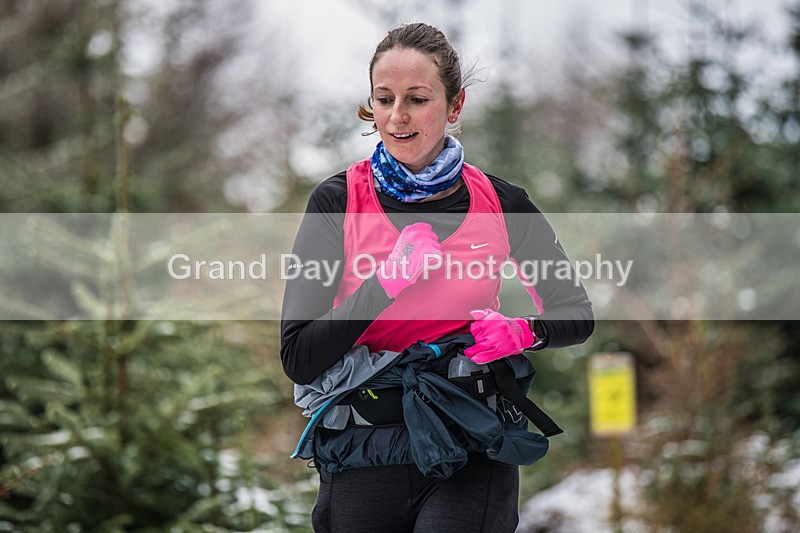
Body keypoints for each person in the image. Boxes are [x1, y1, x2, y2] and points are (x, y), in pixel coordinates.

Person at [280, 22, 593, 532]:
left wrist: (524, 331)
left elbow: (576, 313)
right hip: (365, 446)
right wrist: (386, 284)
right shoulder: (337, 203)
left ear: (454, 106)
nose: (397, 117)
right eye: (384, 99)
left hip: (469, 437)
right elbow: (299, 355)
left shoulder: (502, 203)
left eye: (417, 99)